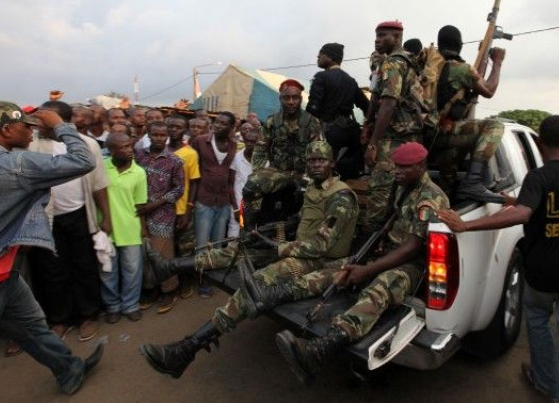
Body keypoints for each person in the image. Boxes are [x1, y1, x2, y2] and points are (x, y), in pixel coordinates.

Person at [139, 140, 360, 378]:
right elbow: (304, 221)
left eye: (322, 160)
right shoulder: (314, 188)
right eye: (312, 160)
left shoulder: (341, 197)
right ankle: (169, 266)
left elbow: (320, 245)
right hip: (298, 247)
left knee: (258, 282)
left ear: (332, 163)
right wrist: (268, 234)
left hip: (321, 260)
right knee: (239, 248)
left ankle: (188, 348)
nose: (316, 165)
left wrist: (276, 247)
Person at [255, 142, 448, 385]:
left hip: (411, 263)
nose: (396, 172)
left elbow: (412, 247)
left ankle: (320, 350)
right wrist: (377, 242)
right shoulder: (405, 186)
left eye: (404, 168)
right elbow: (396, 216)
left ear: (421, 166)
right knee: (339, 269)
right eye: (396, 166)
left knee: (380, 288)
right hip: (387, 250)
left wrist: (368, 270)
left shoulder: (431, 199)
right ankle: (274, 295)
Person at [439, 115, 559, 402]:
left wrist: (466, 225)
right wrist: (522, 202)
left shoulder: (540, 177)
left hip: (544, 272)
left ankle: (543, 379)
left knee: (537, 323)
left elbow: (524, 214)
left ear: (540, 141)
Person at [0, 101, 102, 395]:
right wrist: (61, 126)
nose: (33, 132)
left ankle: (69, 370)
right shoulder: (15, 164)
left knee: (33, 329)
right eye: (27, 126)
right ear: (7, 130)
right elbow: (83, 161)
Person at [27, 100, 112, 342]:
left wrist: (106, 216)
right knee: (52, 271)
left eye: (45, 118)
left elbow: (99, 184)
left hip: (79, 214)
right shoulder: (31, 144)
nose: (39, 122)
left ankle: (88, 315)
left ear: (61, 121)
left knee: (84, 266)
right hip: (46, 219)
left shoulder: (87, 145)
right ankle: (60, 319)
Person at [423, 24, 507, 203]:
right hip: (445, 131)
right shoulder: (461, 69)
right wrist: (498, 62)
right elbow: (489, 90)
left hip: (424, 134)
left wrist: (482, 58)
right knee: (495, 125)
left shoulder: (429, 66)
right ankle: (473, 181)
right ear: (460, 45)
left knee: (446, 184)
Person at [360, 20, 425, 232]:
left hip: (397, 138)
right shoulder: (394, 63)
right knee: (396, 193)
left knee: (380, 190)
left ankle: (369, 240)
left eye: (382, 36)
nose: (377, 41)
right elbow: (375, 96)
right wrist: (367, 125)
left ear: (396, 38)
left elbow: (388, 104)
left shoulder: (394, 63)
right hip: (406, 135)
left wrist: (372, 144)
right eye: (376, 36)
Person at [243, 80, 322, 230]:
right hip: (279, 172)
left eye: (295, 98)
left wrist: (310, 176)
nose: (291, 102)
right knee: (250, 187)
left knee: (310, 196)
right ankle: (250, 233)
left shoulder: (312, 122)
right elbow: (260, 151)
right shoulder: (272, 122)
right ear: (280, 99)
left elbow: (319, 154)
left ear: (300, 99)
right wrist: (259, 173)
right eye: (287, 98)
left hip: (305, 173)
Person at [135, 121, 185, 313]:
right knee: (146, 255)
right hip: (140, 214)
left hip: (162, 214)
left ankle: (169, 291)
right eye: (155, 134)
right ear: (148, 134)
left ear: (167, 136)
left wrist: (155, 205)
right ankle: (151, 290)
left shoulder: (175, 161)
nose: (159, 138)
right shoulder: (139, 156)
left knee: (162, 255)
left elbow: (179, 189)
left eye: (162, 135)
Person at [100, 132, 147, 323]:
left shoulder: (139, 172)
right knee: (107, 271)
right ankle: (112, 306)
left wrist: (143, 229)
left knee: (132, 270)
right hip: (106, 229)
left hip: (130, 228)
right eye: (123, 147)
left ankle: (130, 305)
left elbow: (140, 204)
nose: (129, 150)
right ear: (111, 150)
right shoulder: (101, 168)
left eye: (130, 145)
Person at [305, 42, 369, 180]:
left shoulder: (321, 77)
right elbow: (366, 106)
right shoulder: (351, 81)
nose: (318, 56)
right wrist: (366, 128)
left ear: (330, 57)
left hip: (329, 133)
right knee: (346, 170)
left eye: (321, 54)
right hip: (351, 132)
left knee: (321, 172)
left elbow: (313, 107)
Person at [191, 111, 237, 298]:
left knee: (218, 244)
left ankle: (213, 278)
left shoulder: (234, 146)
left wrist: (234, 204)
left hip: (224, 202)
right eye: (216, 122)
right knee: (202, 244)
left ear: (231, 128)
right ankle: (202, 280)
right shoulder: (201, 141)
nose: (217, 125)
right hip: (204, 200)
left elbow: (233, 176)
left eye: (223, 123)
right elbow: (193, 170)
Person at [166, 115, 200, 299]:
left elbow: (194, 182)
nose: (174, 130)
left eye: (178, 127)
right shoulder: (160, 150)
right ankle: (170, 284)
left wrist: (188, 209)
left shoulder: (190, 153)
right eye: (170, 126)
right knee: (167, 251)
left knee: (185, 249)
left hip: (182, 210)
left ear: (184, 130)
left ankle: (186, 283)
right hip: (162, 212)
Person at [228, 126, 259, 238]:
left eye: (253, 141)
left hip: (256, 209)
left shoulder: (264, 161)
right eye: (247, 140)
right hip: (238, 207)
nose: (249, 143)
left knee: (252, 240)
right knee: (234, 239)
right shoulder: (236, 158)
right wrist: (236, 208)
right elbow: (230, 184)